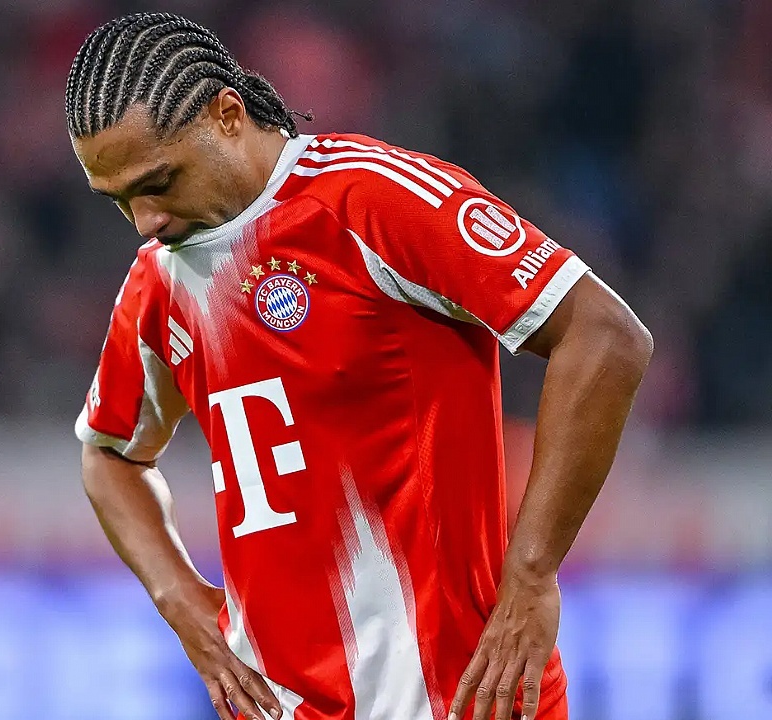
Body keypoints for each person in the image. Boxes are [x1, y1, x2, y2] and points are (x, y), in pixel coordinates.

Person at [67, 12, 651, 720]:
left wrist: (531, 574)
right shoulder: (159, 281)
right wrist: (181, 599)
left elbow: (604, 336)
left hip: (463, 695)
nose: (145, 220)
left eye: (159, 182)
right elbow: (108, 454)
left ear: (227, 115)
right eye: (120, 200)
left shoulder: (370, 201)